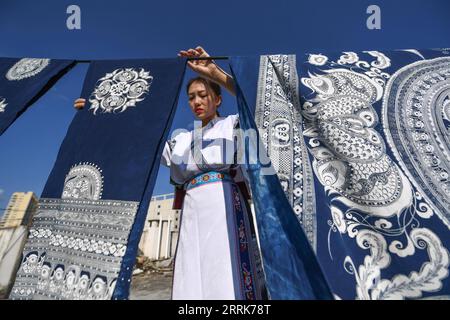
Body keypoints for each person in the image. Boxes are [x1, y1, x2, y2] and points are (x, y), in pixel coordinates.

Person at [74, 47, 266, 300]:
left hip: (225, 203)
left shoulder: (232, 125)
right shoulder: (182, 139)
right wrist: (99, 114)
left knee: (225, 270)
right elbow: (140, 142)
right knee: (192, 271)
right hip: (191, 209)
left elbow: (257, 103)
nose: (196, 102)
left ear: (217, 99)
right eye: (191, 97)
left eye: (202, 95)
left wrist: (215, 74)